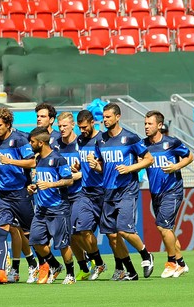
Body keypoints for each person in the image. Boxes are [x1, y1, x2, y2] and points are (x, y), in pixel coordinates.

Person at [88, 103, 154, 281]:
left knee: (124, 230)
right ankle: (131, 272)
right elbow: (103, 166)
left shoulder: (130, 138)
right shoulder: (100, 140)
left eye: (108, 117)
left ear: (118, 117)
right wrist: (96, 166)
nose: (105, 120)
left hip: (126, 190)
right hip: (107, 191)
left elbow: (148, 159)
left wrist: (131, 168)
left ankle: (146, 255)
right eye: (104, 117)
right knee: (112, 236)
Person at [0, 108, 39, 284]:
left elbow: (32, 161)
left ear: (8, 124)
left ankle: (40, 264)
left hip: (21, 191)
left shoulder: (20, 140)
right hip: (2, 192)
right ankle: (1, 271)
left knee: (29, 233)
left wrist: (11, 161)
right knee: (1, 230)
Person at [143, 110, 193, 278]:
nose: (146, 127)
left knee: (163, 227)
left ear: (159, 125)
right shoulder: (143, 145)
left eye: (150, 124)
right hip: (155, 192)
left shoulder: (171, 143)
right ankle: (181, 263)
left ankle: (171, 262)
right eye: (145, 123)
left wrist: (176, 167)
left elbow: (189, 157)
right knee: (167, 229)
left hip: (172, 190)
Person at [27, 127, 76, 284]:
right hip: (41, 209)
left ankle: (71, 274)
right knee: (35, 240)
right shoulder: (38, 159)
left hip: (58, 207)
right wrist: (33, 186)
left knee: (62, 244)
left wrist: (51, 185)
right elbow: (40, 181)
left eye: (32, 142)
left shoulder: (57, 159)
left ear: (41, 143)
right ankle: (55, 265)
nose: (30, 144)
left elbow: (69, 180)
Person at [56, 112, 94, 281]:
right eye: (59, 126)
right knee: (70, 235)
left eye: (65, 126)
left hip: (80, 194)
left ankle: (96, 260)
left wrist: (74, 176)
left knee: (78, 231)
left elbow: (86, 172)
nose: (62, 129)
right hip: (62, 196)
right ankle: (84, 267)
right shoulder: (55, 145)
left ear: (73, 126)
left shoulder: (81, 144)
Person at [73, 110, 107, 280]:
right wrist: (78, 166)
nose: (82, 130)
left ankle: (124, 267)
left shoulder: (102, 139)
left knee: (113, 234)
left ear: (92, 122)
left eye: (85, 127)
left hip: (104, 191)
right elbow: (85, 158)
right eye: (80, 127)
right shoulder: (80, 140)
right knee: (81, 230)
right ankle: (98, 263)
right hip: (86, 192)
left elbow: (107, 165)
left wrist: (98, 167)